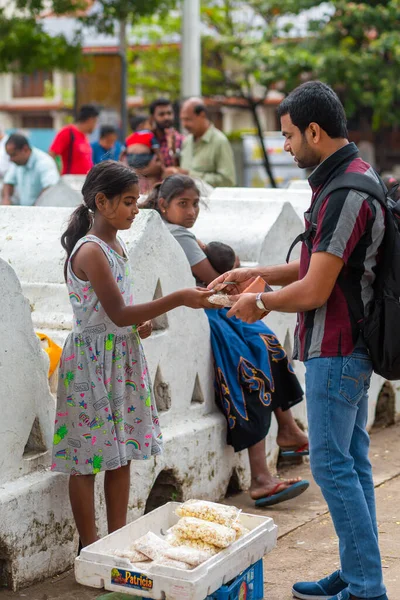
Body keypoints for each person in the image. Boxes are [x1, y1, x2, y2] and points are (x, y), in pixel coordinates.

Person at [209, 82, 388, 600]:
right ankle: (359, 572)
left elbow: (315, 287)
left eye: (288, 135)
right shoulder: (345, 179)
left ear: (314, 130)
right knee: (350, 464)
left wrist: (259, 304)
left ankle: (365, 587)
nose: (284, 146)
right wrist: (257, 272)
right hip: (342, 346)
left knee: (333, 466)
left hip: (340, 347)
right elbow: (319, 263)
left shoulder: (347, 191)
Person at [52, 161, 212, 549]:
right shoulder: (90, 251)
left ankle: (118, 539)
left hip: (119, 356)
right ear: (101, 202)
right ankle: (90, 546)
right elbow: (119, 312)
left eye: (136, 201)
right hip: (92, 363)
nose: (135, 210)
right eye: (128, 202)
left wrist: (135, 326)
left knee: (120, 452)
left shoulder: (116, 245)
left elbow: (117, 313)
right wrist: (177, 298)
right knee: (87, 458)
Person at [142, 175, 310, 507]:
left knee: (263, 345)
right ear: (163, 205)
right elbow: (211, 279)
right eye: (182, 204)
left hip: (209, 314)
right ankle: (262, 475)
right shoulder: (180, 235)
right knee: (252, 362)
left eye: (194, 205)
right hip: (208, 316)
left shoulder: (173, 232)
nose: (190, 212)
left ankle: (286, 432)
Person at [178, 98, 236, 187]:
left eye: (188, 119)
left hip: (210, 200)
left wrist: (191, 176)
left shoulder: (219, 141)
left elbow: (228, 181)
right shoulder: (187, 141)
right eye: (182, 120)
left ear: (202, 115)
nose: (184, 124)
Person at [1, 133, 59, 206]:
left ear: (25, 149)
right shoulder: (16, 163)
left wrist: (35, 208)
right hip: (26, 209)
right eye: (9, 156)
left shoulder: (44, 163)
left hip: (43, 210)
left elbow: (51, 189)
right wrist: (6, 199)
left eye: (13, 155)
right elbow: (8, 182)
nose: (11, 159)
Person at [49, 104, 99, 175]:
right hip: (70, 181)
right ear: (90, 120)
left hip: (83, 181)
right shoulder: (68, 132)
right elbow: (52, 154)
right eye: (95, 122)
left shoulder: (85, 137)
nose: (95, 126)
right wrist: (57, 174)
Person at [150, 98, 185, 168]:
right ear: (152, 118)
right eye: (161, 114)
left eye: (169, 113)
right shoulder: (147, 139)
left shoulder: (182, 140)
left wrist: (173, 150)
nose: (166, 117)